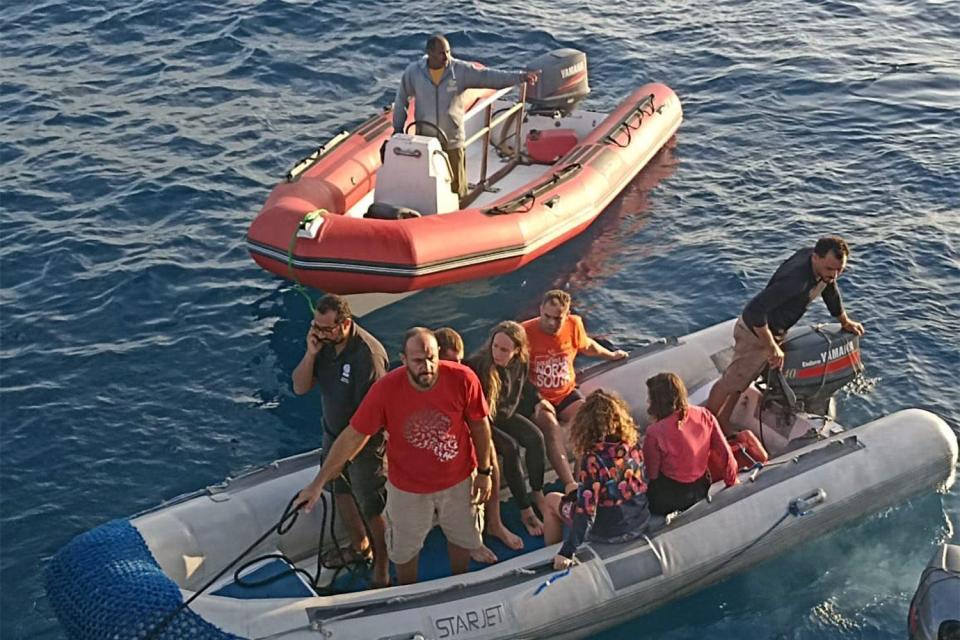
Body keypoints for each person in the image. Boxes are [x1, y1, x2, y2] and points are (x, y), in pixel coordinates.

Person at [295, 328, 494, 586]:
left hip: (458, 482)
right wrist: (317, 484)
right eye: (419, 361)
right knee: (403, 551)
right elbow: (355, 435)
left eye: (432, 358)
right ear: (403, 359)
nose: (428, 366)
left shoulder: (463, 378)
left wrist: (485, 473)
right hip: (408, 489)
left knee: (461, 539)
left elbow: (479, 425)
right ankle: (406, 592)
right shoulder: (385, 390)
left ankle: (460, 583)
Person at [704, 236, 866, 431]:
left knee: (743, 381)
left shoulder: (822, 270)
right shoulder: (795, 281)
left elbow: (830, 291)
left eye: (840, 269)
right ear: (815, 257)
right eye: (830, 269)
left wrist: (844, 321)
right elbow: (754, 311)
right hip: (756, 334)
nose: (835, 275)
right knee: (731, 383)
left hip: (775, 331)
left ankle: (722, 421)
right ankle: (704, 428)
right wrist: (772, 347)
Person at [291, 294, 390, 587]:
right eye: (316, 327)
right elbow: (299, 387)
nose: (320, 333)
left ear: (345, 324)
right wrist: (310, 353)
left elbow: (364, 426)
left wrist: (319, 479)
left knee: (370, 504)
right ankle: (359, 546)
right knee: (341, 493)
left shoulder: (368, 355)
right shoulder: (322, 346)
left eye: (327, 328)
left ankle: (382, 562)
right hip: (332, 433)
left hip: (365, 441)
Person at [392, 34, 539, 200]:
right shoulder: (414, 73)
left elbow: (489, 77)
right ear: (429, 53)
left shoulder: (459, 70)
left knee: (456, 190)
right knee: (427, 186)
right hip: (426, 141)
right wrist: (398, 128)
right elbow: (401, 100)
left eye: (448, 52)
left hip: (452, 140)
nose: (446, 57)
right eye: (441, 53)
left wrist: (520, 77)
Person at [522, 290, 627, 481]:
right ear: (540, 310)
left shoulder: (574, 325)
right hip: (539, 397)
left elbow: (588, 346)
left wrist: (612, 356)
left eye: (558, 318)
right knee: (551, 429)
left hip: (566, 392)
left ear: (567, 314)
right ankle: (569, 483)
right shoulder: (525, 332)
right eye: (547, 317)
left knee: (588, 422)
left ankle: (581, 479)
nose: (552, 323)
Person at [436, 326, 518, 561]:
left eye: (460, 361)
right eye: (450, 362)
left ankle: (494, 522)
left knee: (489, 451)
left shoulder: (464, 378)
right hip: (439, 446)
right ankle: (468, 538)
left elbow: (478, 418)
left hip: (463, 434)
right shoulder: (425, 381)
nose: (457, 367)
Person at [542, 390, 650, 570]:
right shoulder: (632, 444)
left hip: (609, 530)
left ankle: (551, 553)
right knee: (576, 490)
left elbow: (586, 512)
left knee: (550, 500)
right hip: (639, 519)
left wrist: (568, 551)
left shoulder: (594, 460)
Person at [467, 321, 553, 538]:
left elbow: (524, 387)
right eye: (495, 346)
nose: (498, 353)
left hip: (505, 414)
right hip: (484, 421)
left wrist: (539, 401)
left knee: (536, 438)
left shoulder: (520, 363)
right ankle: (525, 509)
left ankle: (537, 491)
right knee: (511, 449)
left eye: (504, 350)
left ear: (517, 351)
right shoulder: (479, 366)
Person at [644, 373, 738, 516]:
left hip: (671, 496)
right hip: (702, 487)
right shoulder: (704, 414)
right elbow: (725, 453)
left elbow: (652, 473)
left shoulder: (654, 432)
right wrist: (732, 482)